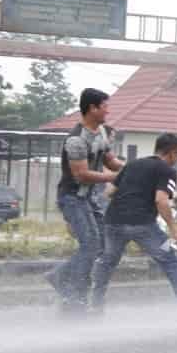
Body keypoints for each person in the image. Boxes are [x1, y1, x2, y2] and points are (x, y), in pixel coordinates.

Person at [90, 133, 177, 317]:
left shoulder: (132, 165)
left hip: (113, 222)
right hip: (144, 225)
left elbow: (109, 192)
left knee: (107, 262)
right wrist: (175, 230)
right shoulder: (167, 170)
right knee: (170, 259)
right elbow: (161, 200)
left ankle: (95, 305)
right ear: (173, 153)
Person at [51, 88, 123, 312]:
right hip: (72, 198)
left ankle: (60, 276)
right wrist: (113, 177)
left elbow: (110, 161)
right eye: (105, 107)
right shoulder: (76, 140)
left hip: (88, 198)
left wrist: (133, 169)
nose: (108, 111)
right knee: (90, 245)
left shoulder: (100, 132)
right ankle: (76, 294)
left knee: (101, 245)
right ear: (92, 108)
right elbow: (81, 175)